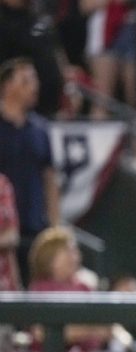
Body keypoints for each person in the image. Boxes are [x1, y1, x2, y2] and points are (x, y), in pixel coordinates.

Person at [0, 57, 60, 287]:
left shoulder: (40, 129)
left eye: (34, 79)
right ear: (7, 86)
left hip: (35, 229)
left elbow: (50, 178)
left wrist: (55, 226)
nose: (34, 86)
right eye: (26, 80)